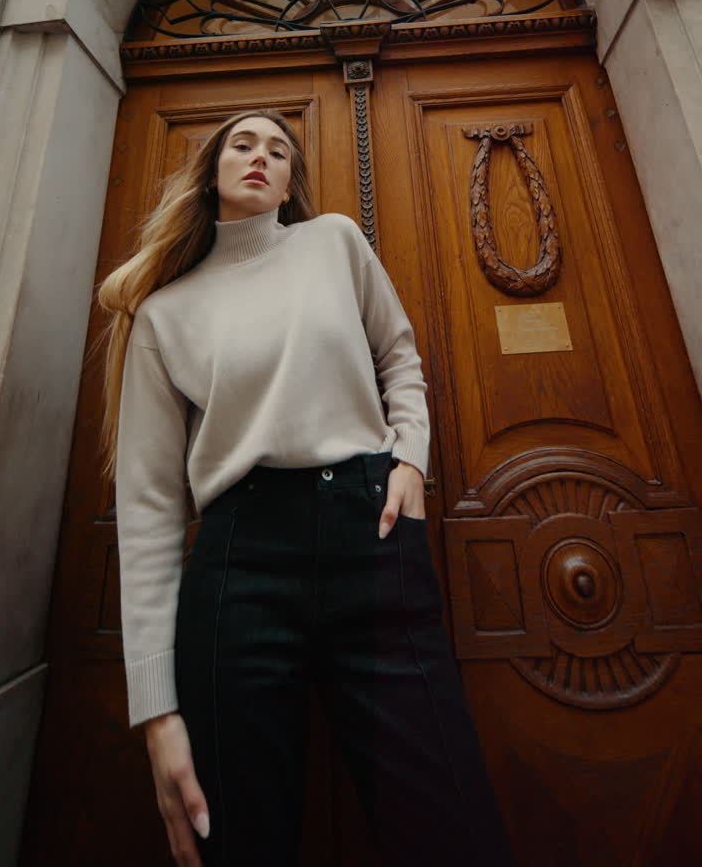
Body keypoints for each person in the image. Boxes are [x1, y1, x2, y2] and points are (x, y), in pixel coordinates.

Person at [100, 107, 512, 867]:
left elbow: (400, 360)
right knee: (238, 839)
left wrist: (410, 461)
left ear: (291, 181)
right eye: (243, 144)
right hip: (238, 565)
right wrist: (157, 714)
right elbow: (151, 505)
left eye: (279, 150)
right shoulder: (164, 313)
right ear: (212, 169)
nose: (261, 156)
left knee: (449, 820)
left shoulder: (333, 243)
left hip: (372, 534)